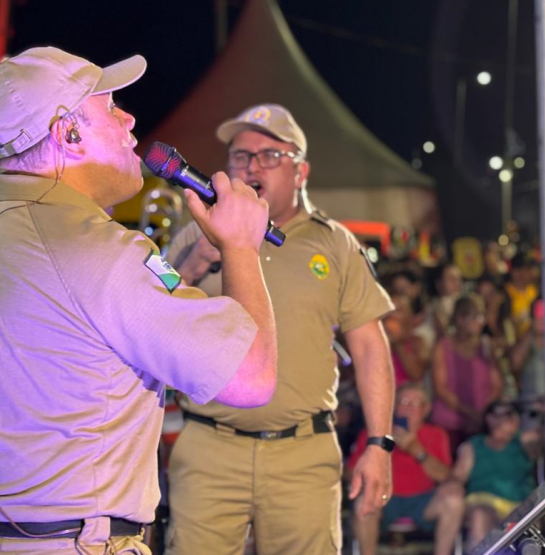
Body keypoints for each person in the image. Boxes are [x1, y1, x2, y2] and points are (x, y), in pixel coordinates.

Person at [0, 47, 278, 555]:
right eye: (108, 106)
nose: (129, 118)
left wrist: (182, 272)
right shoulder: (98, 246)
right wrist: (240, 247)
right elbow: (251, 377)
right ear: (69, 134)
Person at [164, 104, 395, 555]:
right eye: (240, 156)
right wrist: (189, 267)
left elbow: (370, 349)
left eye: (270, 155)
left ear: (301, 171)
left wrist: (380, 444)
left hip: (303, 456)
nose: (251, 166)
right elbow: (147, 307)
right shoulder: (195, 233)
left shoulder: (335, 243)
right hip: (208, 448)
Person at [349, 383, 464, 555]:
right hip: (384, 498)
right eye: (403, 401)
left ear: (426, 410)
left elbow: (445, 476)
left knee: (454, 499)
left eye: (416, 403)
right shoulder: (374, 433)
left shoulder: (436, 434)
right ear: (394, 406)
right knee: (362, 502)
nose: (409, 408)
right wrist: (382, 448)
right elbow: (350, 472)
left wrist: (416, 450)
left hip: (423, 501)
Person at [452, 400, 540, 551]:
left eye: (508, 414)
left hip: (518, 504)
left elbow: (542, 441)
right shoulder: (474, 445)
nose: (502, 419)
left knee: (530, 522)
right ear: (489, 419)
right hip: (483, 501)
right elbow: (458, 477)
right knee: (479, 516)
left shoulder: (523, 441)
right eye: (497, 415)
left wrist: (541, 413)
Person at [429, 294, 504, 452]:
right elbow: (440, 388)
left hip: (481, 423)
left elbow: (497, 385)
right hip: (449, 422)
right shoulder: (442, 347)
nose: (480, 321)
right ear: (459, 318)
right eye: (474, 316)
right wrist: (469, 413)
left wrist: (480, 413)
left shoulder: (486, 346)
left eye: (481, 316)